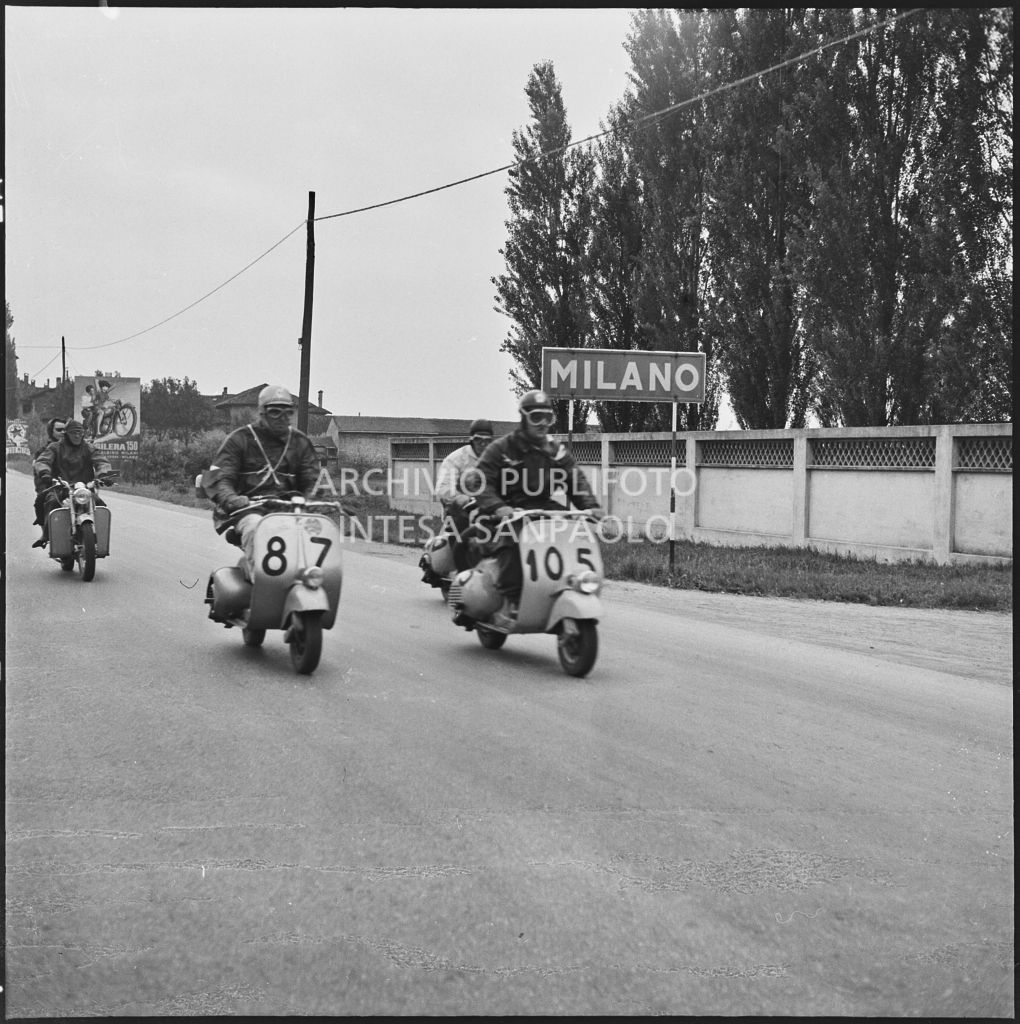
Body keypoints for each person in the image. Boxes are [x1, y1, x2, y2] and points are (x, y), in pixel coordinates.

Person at [473, 389, 603, 627]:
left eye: (548, 417)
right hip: (506, 510)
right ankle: (510, 600)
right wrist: (498, 507)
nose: (543, 424)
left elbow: (575, 480)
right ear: (524, 418)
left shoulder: (555, 450)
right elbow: (480, 481)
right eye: (536, 417)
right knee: (514, 541)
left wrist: (591, 507)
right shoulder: (501, 448)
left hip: (542, 507)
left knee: (572, 532)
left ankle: (563, 589)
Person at [203, 385, 322, 579]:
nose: (283, 417)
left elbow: (313, 480)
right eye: (275, 412)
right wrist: (232, 498)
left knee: (317, 536)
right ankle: (263, 589)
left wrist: (314, 500)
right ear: (262, 413)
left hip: (290, 512)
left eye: (287, 412)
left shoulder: (300, 443)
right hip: (249, 510)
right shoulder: (240, 439)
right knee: (255, 527)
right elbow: (216, 478)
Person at [32, 419, 113, 548]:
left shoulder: (89, 447)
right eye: (73, 433)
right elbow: (43, 461)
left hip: (84, 489)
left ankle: (98, 539)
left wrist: (105, 474)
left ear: (83, 434)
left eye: (80, 433)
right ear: (66, 434)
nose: (77, 436)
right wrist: (45, 473)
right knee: (49, 503)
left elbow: (102, 461)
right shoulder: (55, 447)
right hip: (61, 488)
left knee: (100, 505)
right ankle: (47, 534)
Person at [434, 418, 494, 570]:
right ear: (471, 440)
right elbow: (443, 488)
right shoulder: (456, 459)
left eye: (487, 440)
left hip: (489, 510)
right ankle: (462, 579)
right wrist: (462, 499)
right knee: (461, 535)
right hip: (459, 511)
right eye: (479, 439)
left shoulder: (496, 459)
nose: (483, 443)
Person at [31, 417, 68, 540]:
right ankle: (45, 534)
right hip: (52, 485)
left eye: (65, 429)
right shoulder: (43, 451)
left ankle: (93, 532)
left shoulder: (75, 449)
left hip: (73, 485)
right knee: (41, 502)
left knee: (95, 500)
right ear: (51, 432)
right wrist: (45, 482)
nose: (63, 432)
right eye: (59, 429)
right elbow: (39, 468)